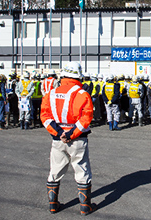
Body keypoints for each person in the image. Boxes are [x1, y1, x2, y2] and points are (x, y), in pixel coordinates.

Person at [40, 62, 95, 215]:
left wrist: (59, 133)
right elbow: (86, 117)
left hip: (58, 140)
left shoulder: (50, 93)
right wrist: (71, 133)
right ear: (78, 76)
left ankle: (53, 204)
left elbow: (44, 116)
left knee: (55, 170)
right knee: (82, 170)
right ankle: (85, 207)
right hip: (78, 139)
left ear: (63, 75)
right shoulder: (82, 94)